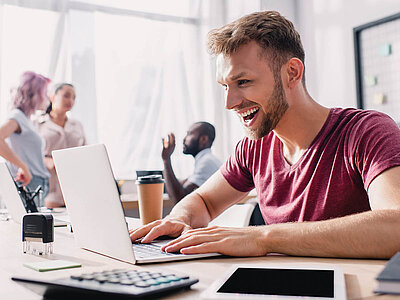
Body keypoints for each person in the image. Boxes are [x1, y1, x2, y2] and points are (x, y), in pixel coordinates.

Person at [130, 11, 400, 259]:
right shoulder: (253, 148)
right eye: (225, 85)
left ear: (292, 73)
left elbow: (395, 226)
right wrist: (181, 217)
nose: (230, 102)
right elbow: (204, 201)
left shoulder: (367, 132)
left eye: (243, 82)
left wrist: (263, 237)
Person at [0, 71, 51, 207]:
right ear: (34, 94)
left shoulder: (27, 120)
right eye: (44, 93)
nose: (47, 98)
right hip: (29, 183)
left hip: (36, 183)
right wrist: (23, 166)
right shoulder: (17, 116)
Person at [35, 83, 86, 208]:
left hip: (75, 184)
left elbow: (86, 150)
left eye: (74, 97)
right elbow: (29, 154)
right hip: (49, 185)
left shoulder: (76, 124)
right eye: (66, 96)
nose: (71, 100)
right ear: (53, 97)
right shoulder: (38, 123)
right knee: (52, 223)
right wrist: (48, 162)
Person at [162, 122, 222, 203]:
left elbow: (181, 199)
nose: (184, 139)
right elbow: (183, 184)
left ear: (203, 139)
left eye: (189, 134)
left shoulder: (206, 162)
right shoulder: (206, 159)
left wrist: (166, 159)